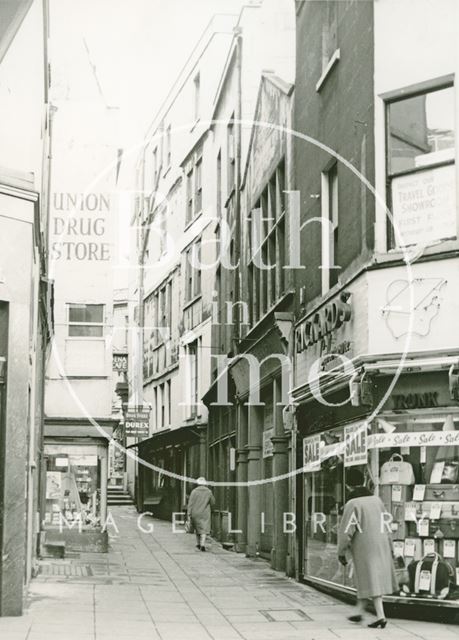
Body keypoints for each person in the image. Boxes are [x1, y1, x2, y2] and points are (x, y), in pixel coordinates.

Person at [337, 468, 397, 629]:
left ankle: (381, 616)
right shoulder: (376, 500)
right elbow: (387, 523)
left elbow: (346, 531)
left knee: (370, 579)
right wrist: (391, 546)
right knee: (370, 579)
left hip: (365, 547)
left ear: (348, 486)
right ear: (363, 482)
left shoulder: (352, 504)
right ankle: (359, 611)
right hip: (381, 544)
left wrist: (341, 552)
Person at [187, 477, 215, 551]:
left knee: (197, 528)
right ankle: (202, 545)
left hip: (195, 513)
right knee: (204, 529)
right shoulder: (209, 492)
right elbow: (213, 502)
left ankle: (199, 544)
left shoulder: (194, 491)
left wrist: (189, 513)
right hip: (205, 513)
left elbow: (190, 504)